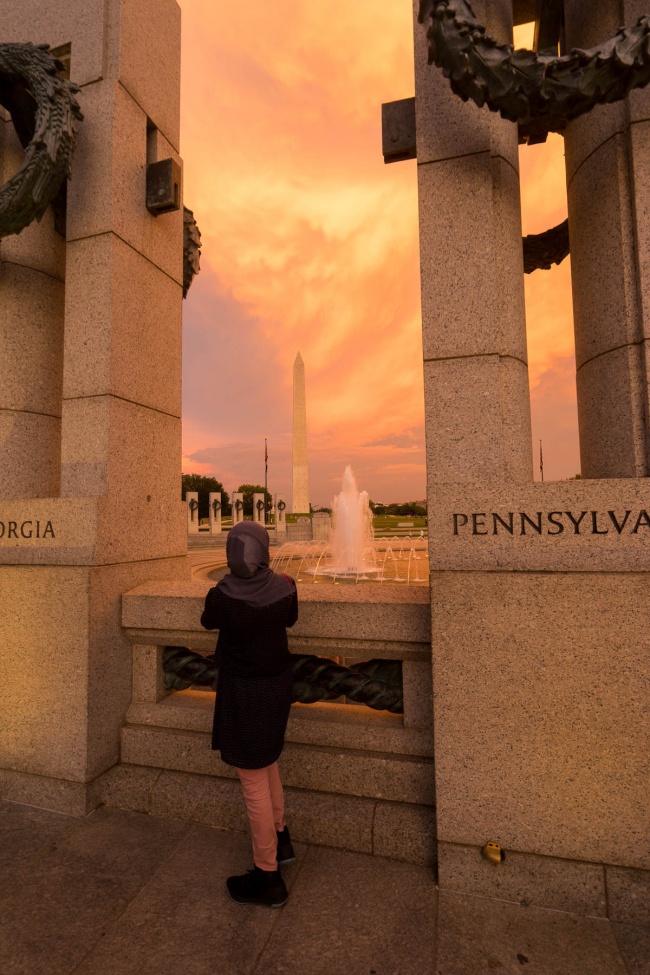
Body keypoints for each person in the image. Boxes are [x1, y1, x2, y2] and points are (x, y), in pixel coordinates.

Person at [201, 520, 298, 907]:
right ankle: (282, 838)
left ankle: (267, 875)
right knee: (267, 762)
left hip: (243, 691)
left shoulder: (221, 596)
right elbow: (290, 619)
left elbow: (208, 622)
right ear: (264, 550)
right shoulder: (287, 587)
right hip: (277, 687)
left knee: (253, 779)